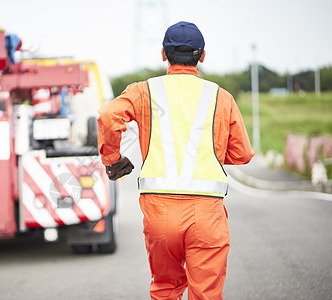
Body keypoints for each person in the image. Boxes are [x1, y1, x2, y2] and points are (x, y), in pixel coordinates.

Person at [97, 21, 254, 299]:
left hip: (159, 212)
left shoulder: (143, 91)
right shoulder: (221, 97)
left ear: (163, 53)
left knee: (165, 288)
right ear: (202, 55)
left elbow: (108, 116)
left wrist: (112, 158)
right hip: (206, 213)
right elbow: (241, 154)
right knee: (205, 293)